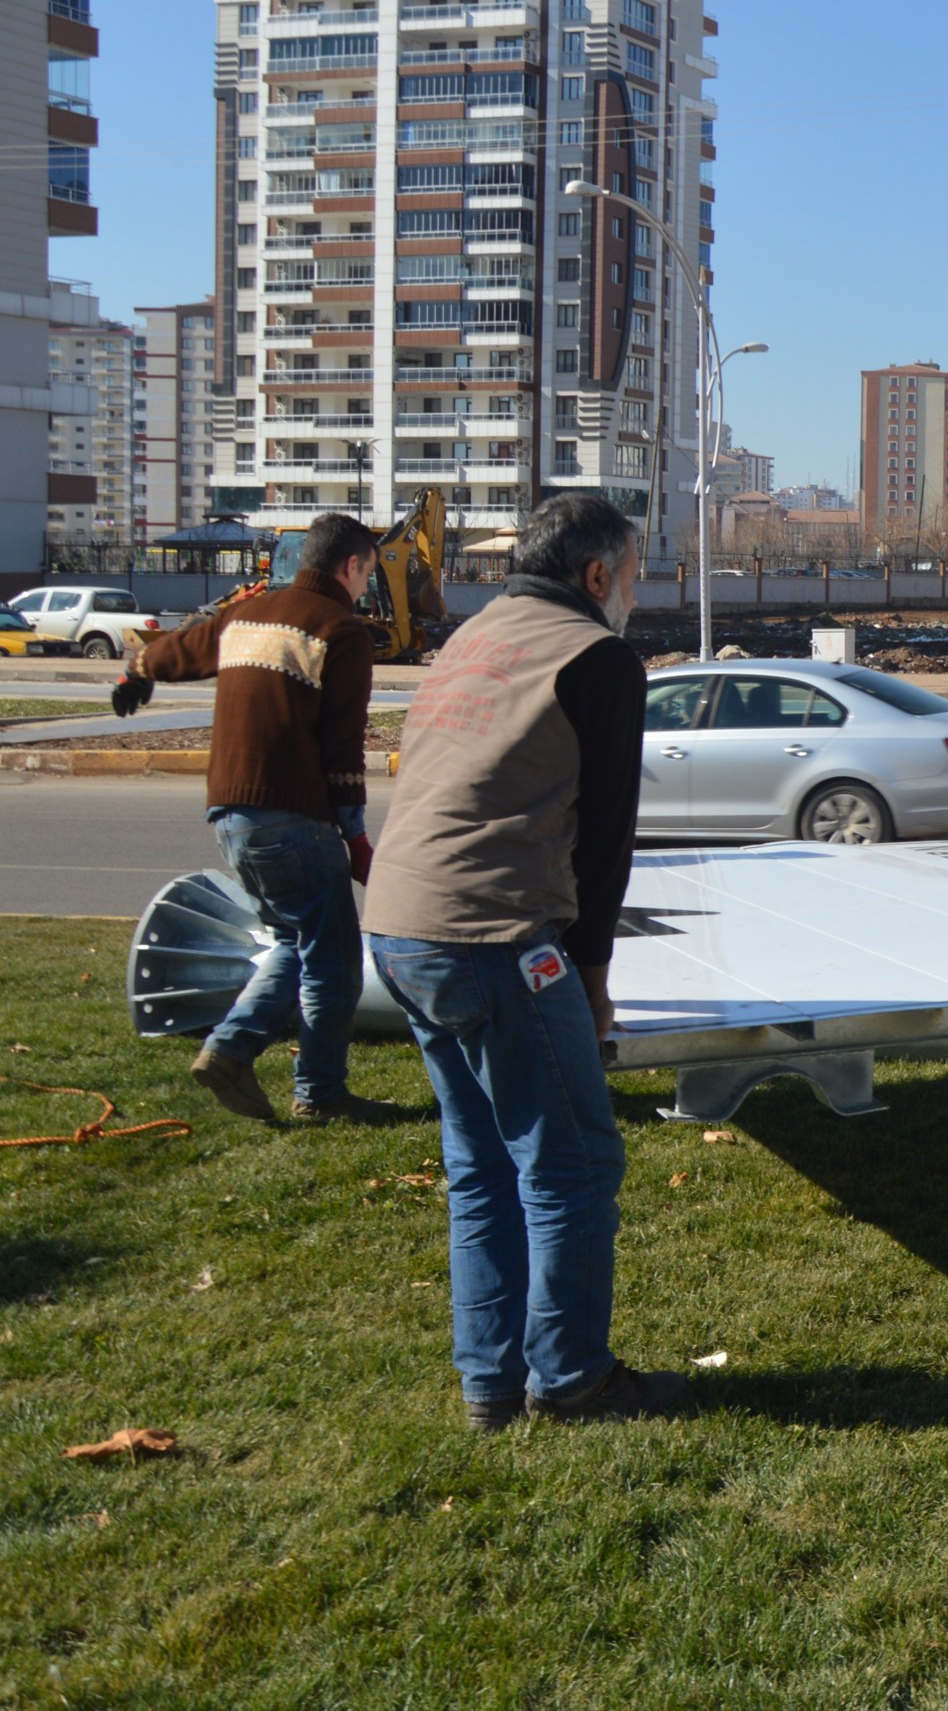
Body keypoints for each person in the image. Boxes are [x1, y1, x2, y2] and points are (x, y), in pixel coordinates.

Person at [362, 494, 690, 1429]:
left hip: (399, 924)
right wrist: (591, 978)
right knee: (573, 1161)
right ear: (596, 577)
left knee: (481, 1163)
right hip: (494, 936)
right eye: (634, 576)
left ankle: (491, 1386)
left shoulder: (473, 640)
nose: (637, 593)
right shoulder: (597, 657)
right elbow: (607, 839)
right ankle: (575, 1376)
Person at [110, 512, 390, 1123]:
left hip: (230, 817)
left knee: (296, 940)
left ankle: (231, 1052)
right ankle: (316, 1091)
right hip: (293, 817)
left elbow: (183, 648)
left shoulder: (249, 615)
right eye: (368, 572)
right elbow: (342, 750)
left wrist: (135, 670)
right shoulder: (342, 634)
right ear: (350, 566)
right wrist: (356, 837)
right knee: (334, 959)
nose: (367, 585)